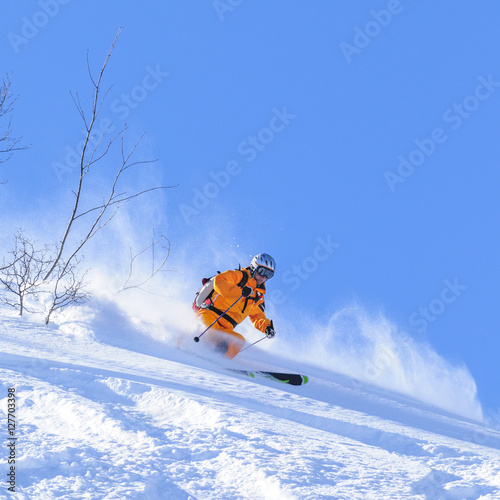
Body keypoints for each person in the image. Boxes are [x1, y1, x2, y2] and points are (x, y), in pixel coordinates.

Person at [195, 253, 276, 359]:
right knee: (211, 333)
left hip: (226, 328)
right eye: (262, 271)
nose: (264, 277)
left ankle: (219, 362)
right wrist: (240, 292)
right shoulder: (239, 276)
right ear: (254, 268)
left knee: (238, 341)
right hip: (209, 316)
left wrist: (267, 327)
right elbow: (219, 281)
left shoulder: (258, 295)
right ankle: (191, 348)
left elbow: (257, 316)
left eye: (269, 275)